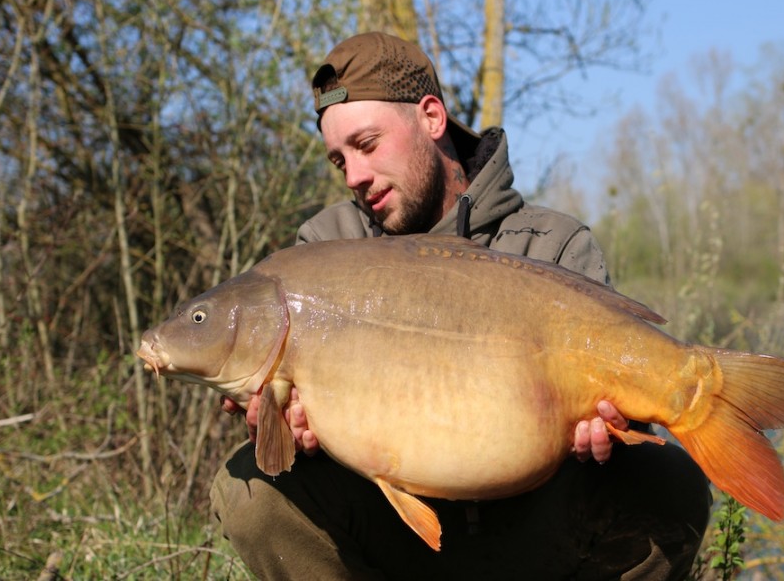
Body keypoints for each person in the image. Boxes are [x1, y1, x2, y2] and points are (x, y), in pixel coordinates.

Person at [211, 32, 712, 580]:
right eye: (339, 160)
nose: (354, 176)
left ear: (431, 117)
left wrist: (613, 429)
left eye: (368, 144)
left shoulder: (552, 243)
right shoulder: (324, 252)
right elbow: (293, 424)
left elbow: (624, 416)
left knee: (669, 481)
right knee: (250, 490)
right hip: (393, 536)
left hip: (537, 528)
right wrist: (284, 428)